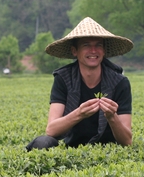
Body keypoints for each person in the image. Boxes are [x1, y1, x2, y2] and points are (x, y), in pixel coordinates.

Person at [26, 17, 134, 151]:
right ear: (74, 51)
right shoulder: (63, 79)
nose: (93, 50)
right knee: (42, 143)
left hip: (108, 151)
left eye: (98, 45)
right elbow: (51, 130)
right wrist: (79, 113)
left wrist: (112, 117)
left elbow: (127, 141)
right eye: (86, 45)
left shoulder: (119, 82)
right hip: (72, 149)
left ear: (104, 50)